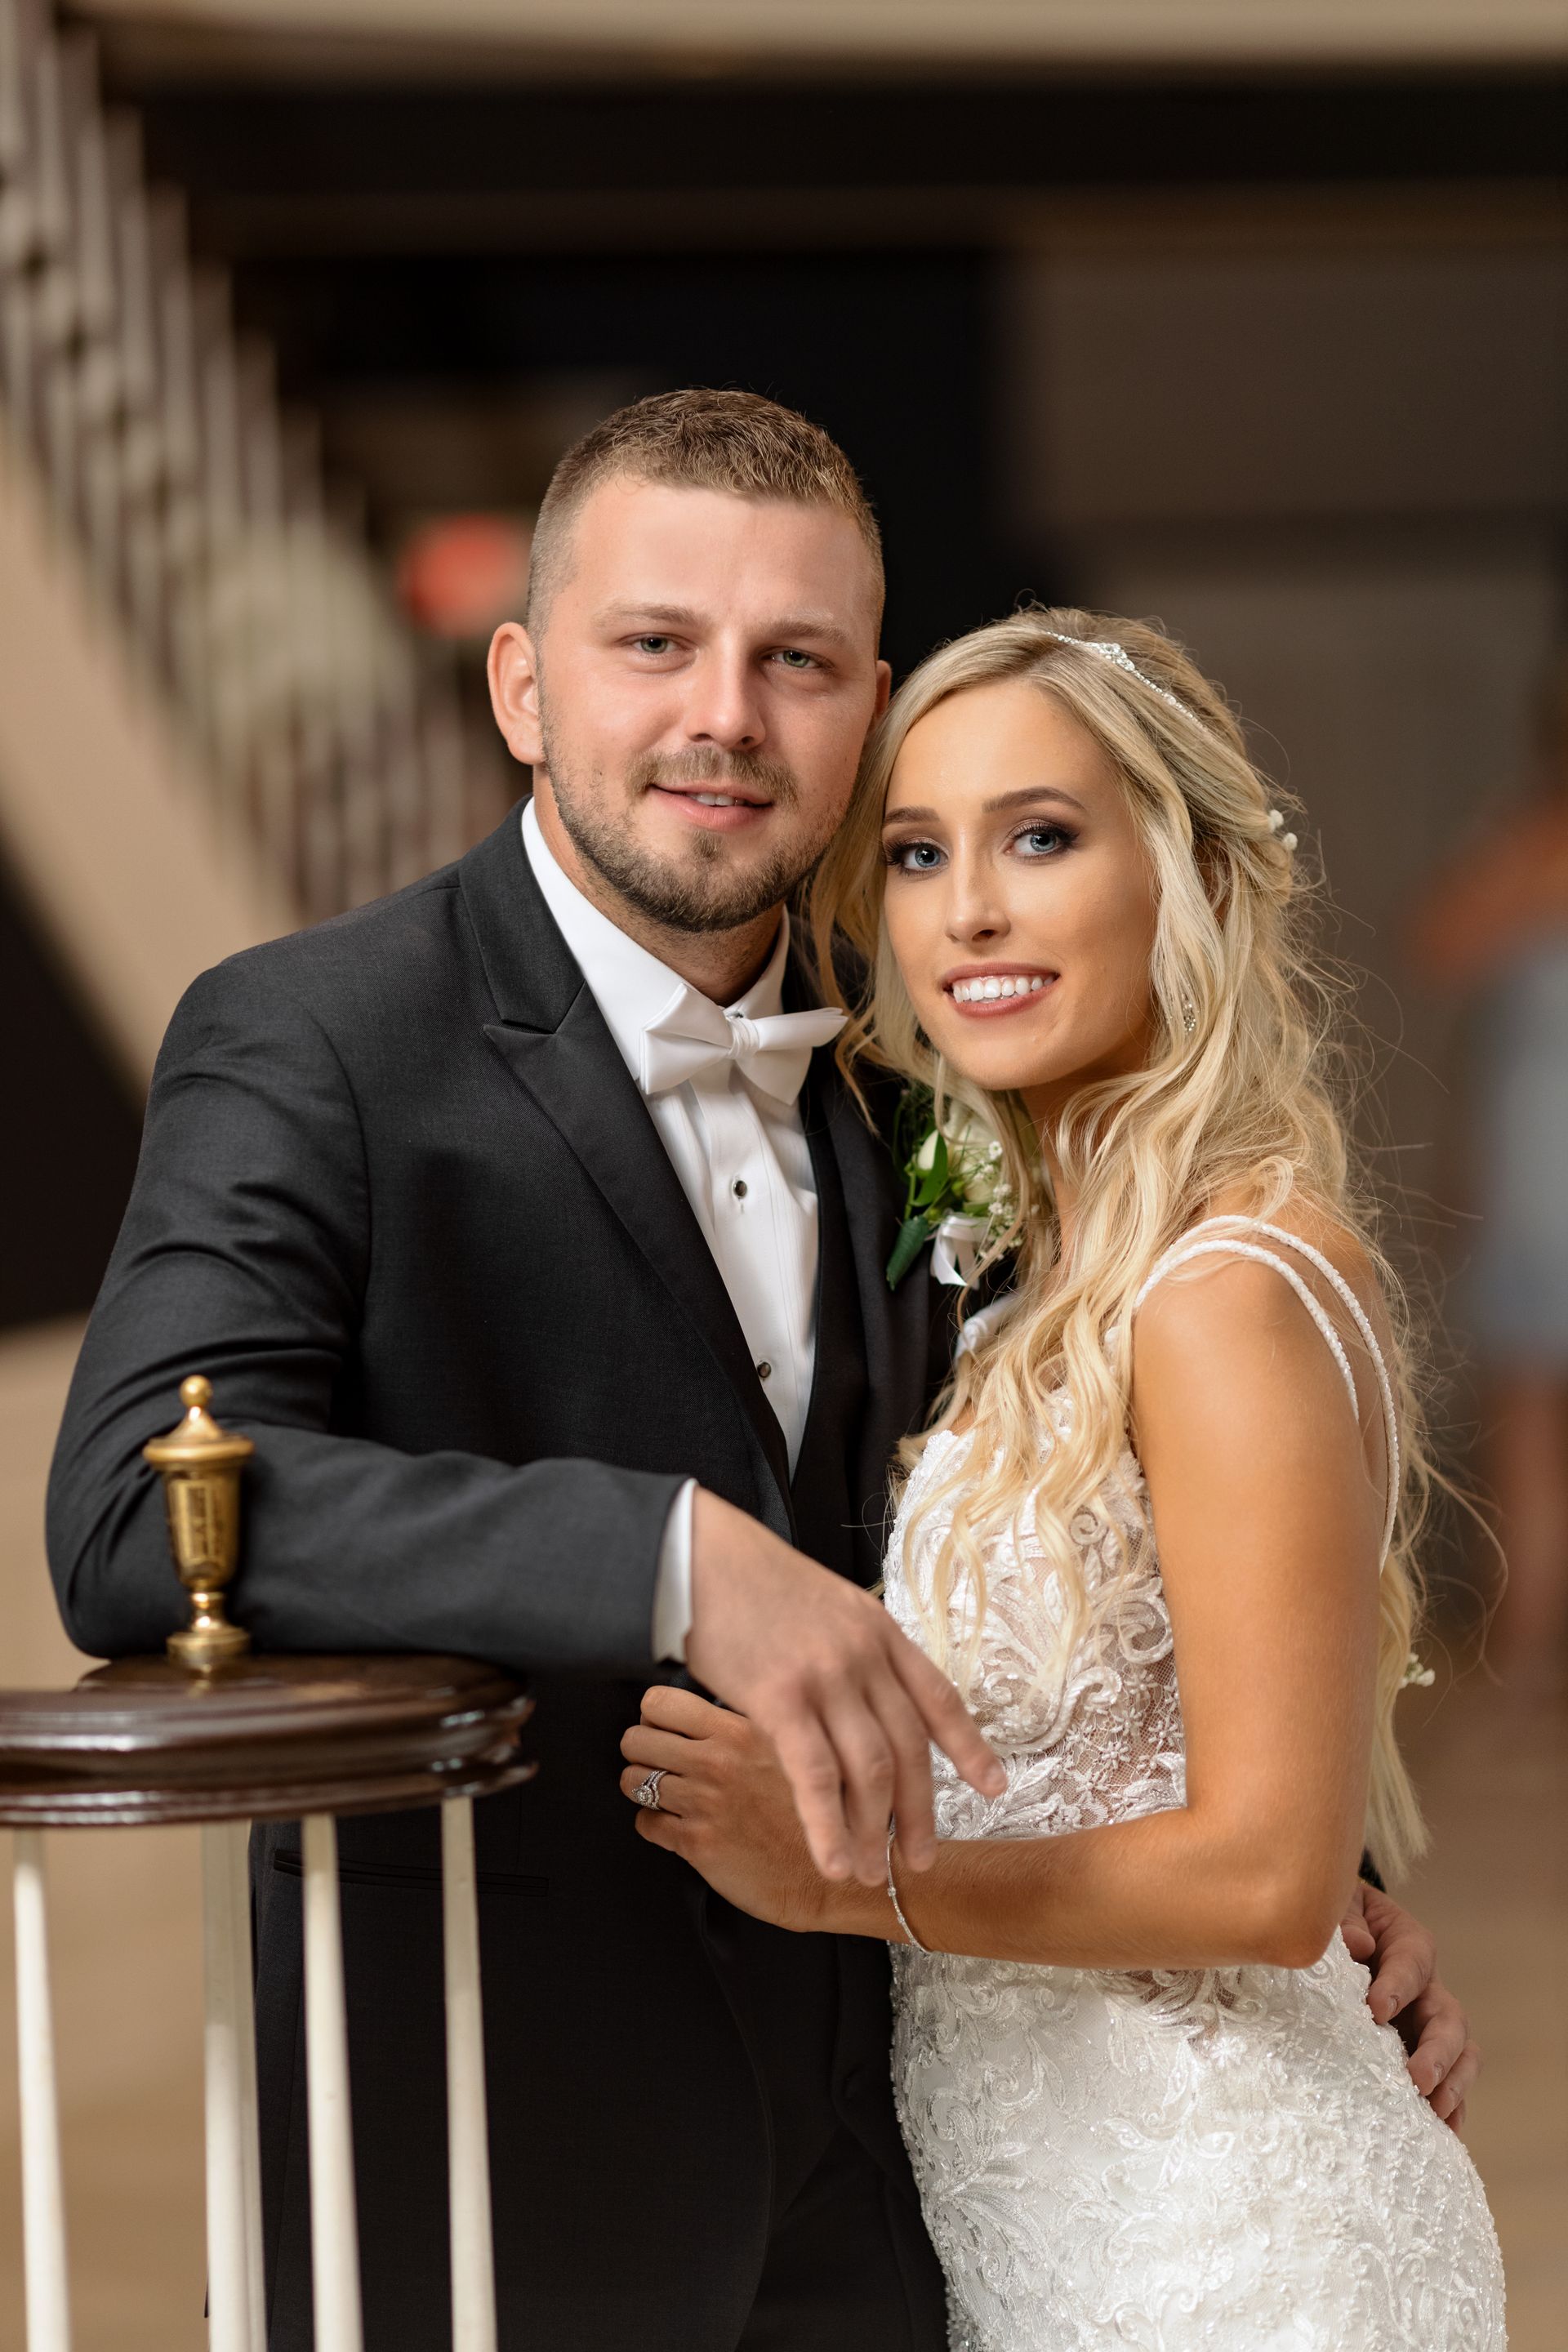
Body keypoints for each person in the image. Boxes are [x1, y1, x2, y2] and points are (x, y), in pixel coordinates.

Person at [48, 394, 1471, 2350]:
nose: (724, 712)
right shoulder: (316, 1040)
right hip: (498, 2147)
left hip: (909, 2191)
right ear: (524, 685)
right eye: (655, 645)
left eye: (793, 661)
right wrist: (671, 1555)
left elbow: (1145, 1531)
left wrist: (1324, 1895)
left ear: (862, 708)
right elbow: (135, 1510)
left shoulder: (940, 1083)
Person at [617, 608, 1504, 2349]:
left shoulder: (1219, 1291)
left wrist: (842, 1881)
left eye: (1043, 836)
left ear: (1191, 877)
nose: (971, 912)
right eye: (921, 852)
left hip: (1228, 2248)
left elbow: (1258, 1874)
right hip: (1064, 2232)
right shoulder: (1073, 1271)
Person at [1412, 648, 1568, 1690]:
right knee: (1529, 1413)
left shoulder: (1534, 844)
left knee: (1530, 1419)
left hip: (1542, 1165)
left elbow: (1439, 940)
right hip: (1534, 1155)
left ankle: (1525, 1657)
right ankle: (1526, 1652)